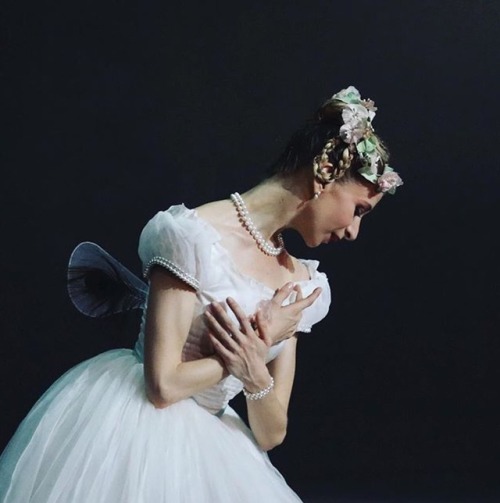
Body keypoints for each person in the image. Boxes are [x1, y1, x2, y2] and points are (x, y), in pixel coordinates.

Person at [0, 85, 402, 502]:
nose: (354, 231)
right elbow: (164, 386)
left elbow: (270, 433)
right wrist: (259, 343)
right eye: (358, 210)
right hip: (134, 431)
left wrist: (254, 371)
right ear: (326, 171)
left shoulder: (302, 285)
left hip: (218, 447)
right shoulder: (190, 237)